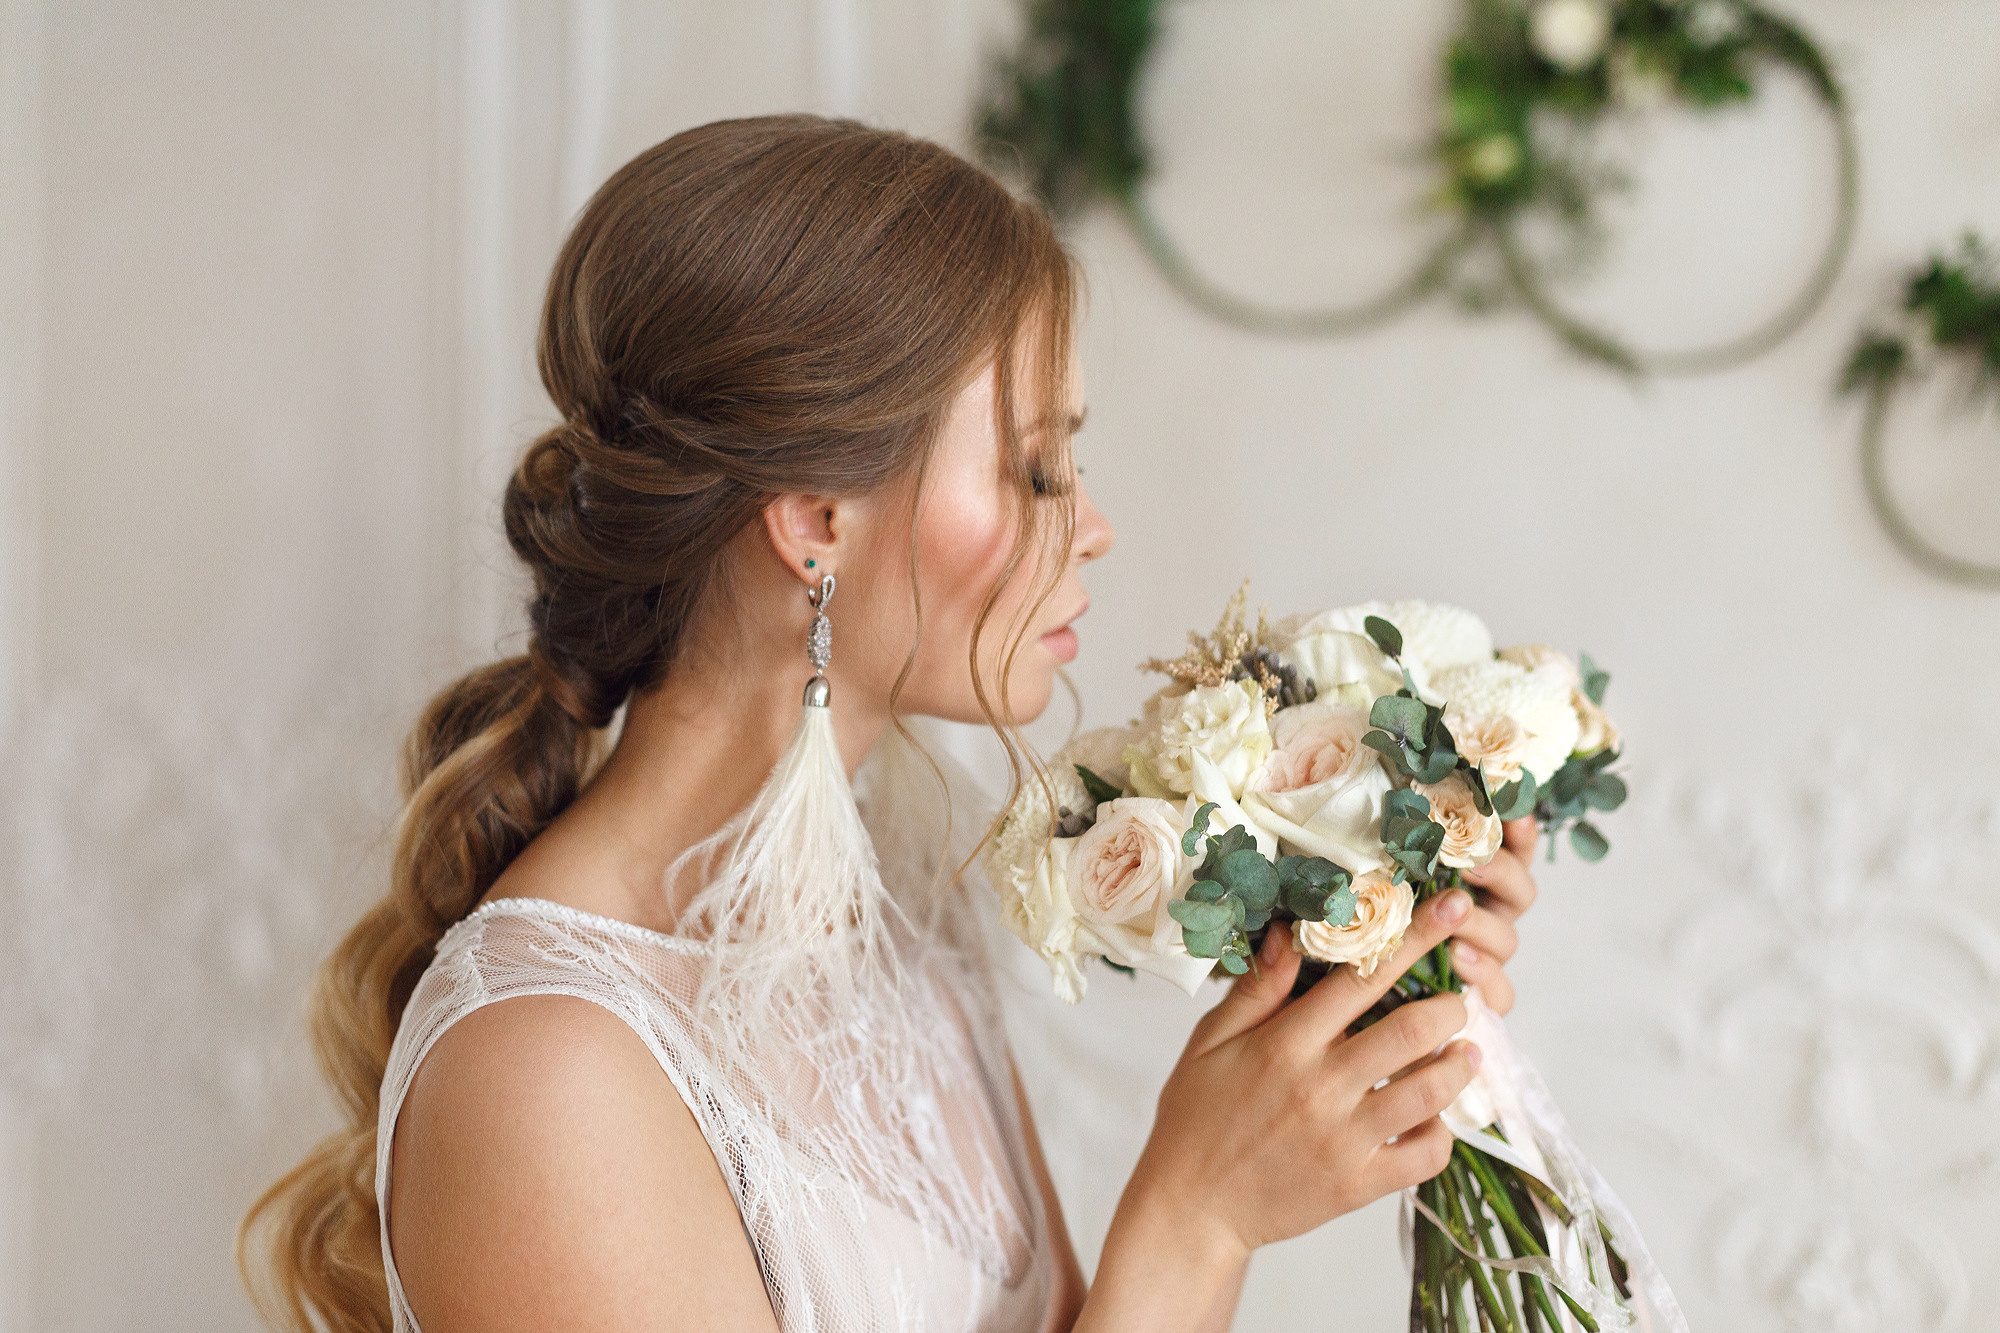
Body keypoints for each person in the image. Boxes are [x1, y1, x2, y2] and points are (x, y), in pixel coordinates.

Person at [240, 114, 1542, 1333]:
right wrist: (1197, 1216)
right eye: (1035, 467)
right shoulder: (545, 1066)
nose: (1091, 527)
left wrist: (1336, 985)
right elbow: (1175, 1245)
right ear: (816, 522)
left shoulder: (903, 907)